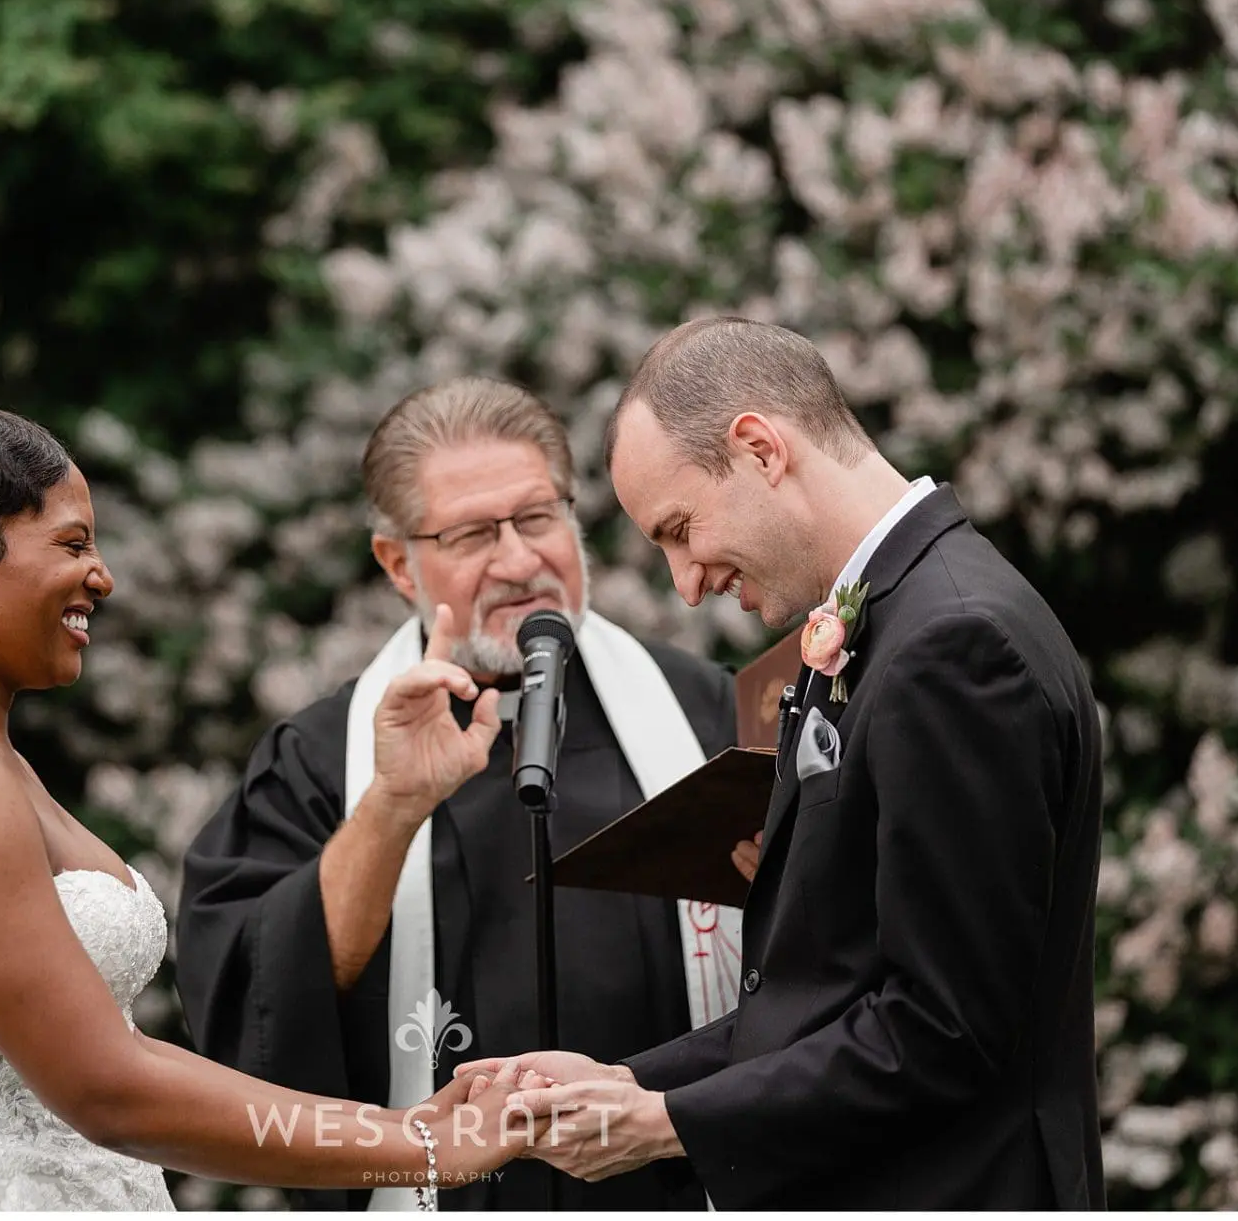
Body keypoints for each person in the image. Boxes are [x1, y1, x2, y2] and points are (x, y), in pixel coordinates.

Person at [0, 407, 541, 1212]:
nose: (103, 575)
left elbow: (128, 1054)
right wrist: (415, 1149)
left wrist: (391, 1126)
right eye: (72, 543)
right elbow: (107, 1089)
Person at [460, 318, 1107, 1209]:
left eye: (680, 529)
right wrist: (624, 1084)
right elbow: (831, 992)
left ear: (761, 449)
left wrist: (670, 1127)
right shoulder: (900, 618)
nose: (685, 583)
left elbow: (945, 1030)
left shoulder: (956, 644)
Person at [175, 377, 748, 1211]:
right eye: (475, 533)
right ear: (398, 563)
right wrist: (394, 805)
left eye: (539, 517)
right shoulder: (322, 759)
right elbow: (261, 1001)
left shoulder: (700, 711)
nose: (519, 561)